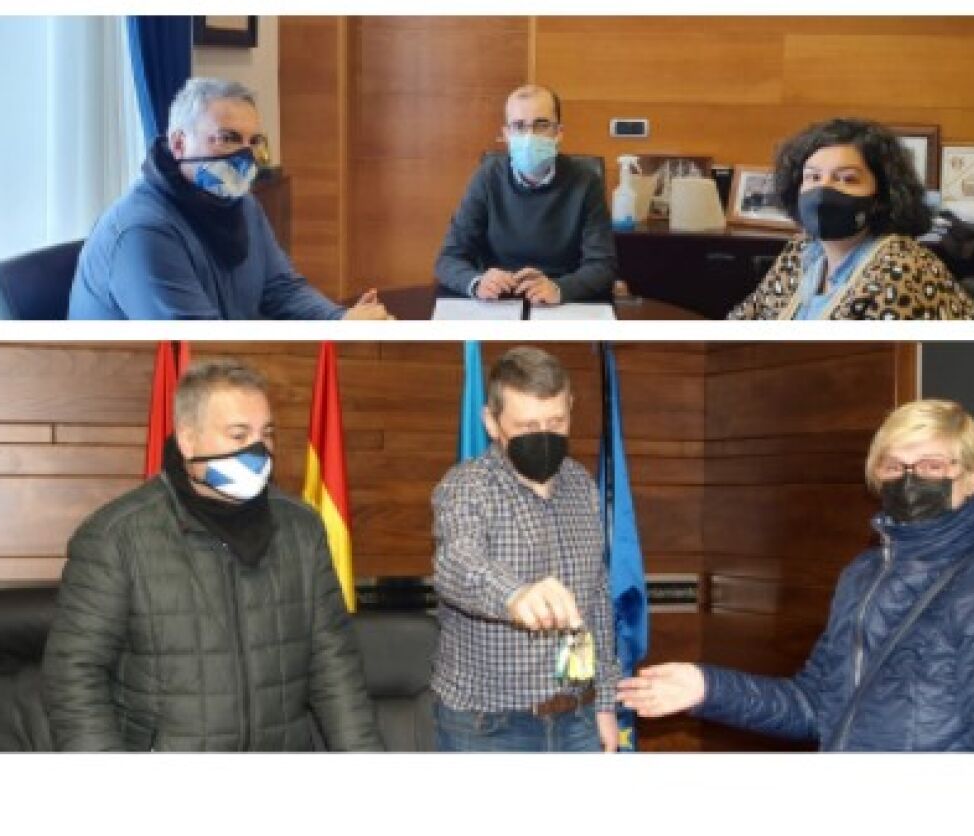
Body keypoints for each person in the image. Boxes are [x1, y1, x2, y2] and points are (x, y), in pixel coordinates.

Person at [618, 399, 974, 751]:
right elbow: (815, 706)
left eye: (931, 466)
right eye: (895, 467)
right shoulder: (864, 573)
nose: (910, 480)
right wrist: (707, 688)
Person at [42, 359, 384, 751]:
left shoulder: (301, 529)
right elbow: (73, 675)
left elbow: (334, 666)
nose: (259, 450)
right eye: (239, 434)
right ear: (188, 441)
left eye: (266, 434)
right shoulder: (117, 536)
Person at [70, 77, 393, 320]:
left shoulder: (241, 203)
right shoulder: (143, 230)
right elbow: (195, 345)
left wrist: (340, 321)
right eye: (228, 138)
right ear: (179, 144)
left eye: (254, 142)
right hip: (144, 385)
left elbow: (281, 289)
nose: (245, 155)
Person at [429, 346, 620, 751]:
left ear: (570, 407)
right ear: (491, 422)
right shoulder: (467, 486)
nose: (544, 435)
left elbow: (597, 598)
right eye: (527, 425)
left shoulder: (582, 485)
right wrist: (515, 595)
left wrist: (604, 702)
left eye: (556, 422)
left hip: (579, 718)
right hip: (488, 726)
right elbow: (456, 563)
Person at [727, 117, 974, 320]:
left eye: (847, 179)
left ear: (881, 196)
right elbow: (744, 322)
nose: (823, 190)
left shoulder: (903, 269)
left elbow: (876, 365)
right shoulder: (801, 249)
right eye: (813, 177)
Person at [433, 85, 617, 305]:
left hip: (559, 302)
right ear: (507, 134)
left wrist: (560, 288)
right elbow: (449, 259)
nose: (530, 136)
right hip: (498, 302)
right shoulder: (487, 178)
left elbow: (603, 266)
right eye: (519, 126)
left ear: (558, 133)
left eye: (541, 125)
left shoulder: (586, 181)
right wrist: (477, 282)